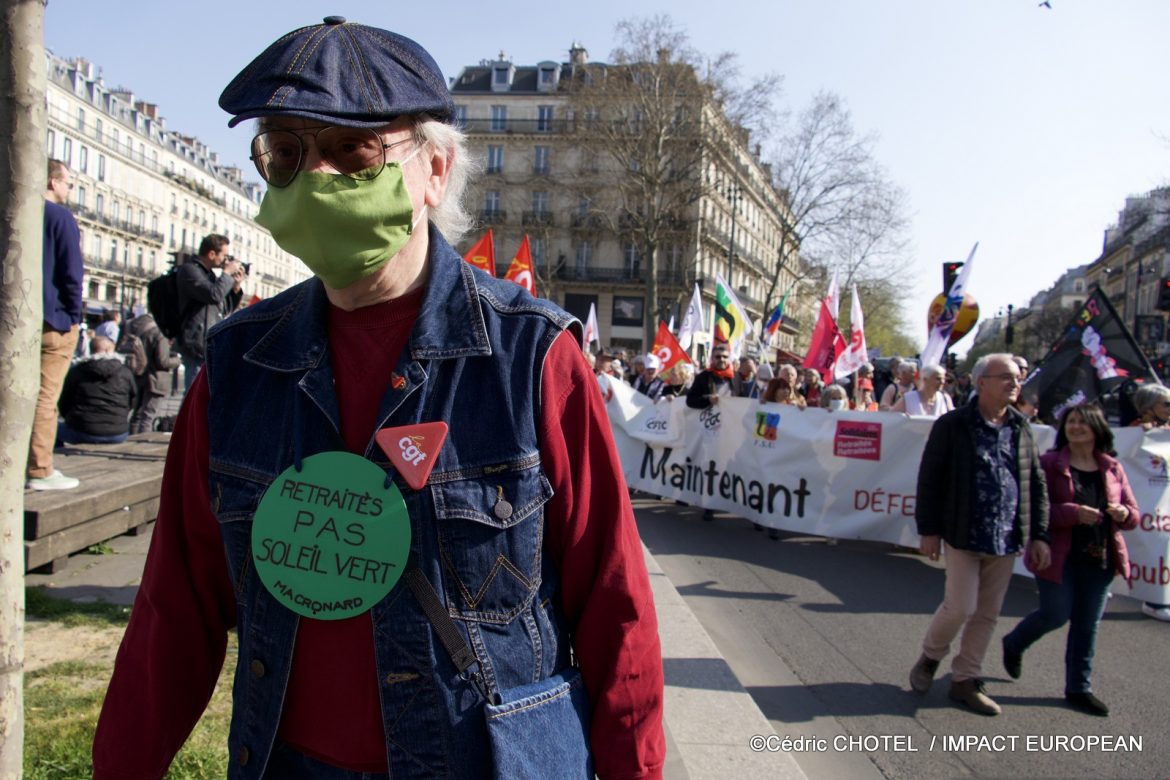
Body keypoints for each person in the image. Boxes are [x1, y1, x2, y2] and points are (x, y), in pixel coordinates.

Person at [93, 18, 663, 780]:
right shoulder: (236, 369)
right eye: (287, 154)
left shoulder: (535, 359)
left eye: (351, 149)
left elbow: (616, 611)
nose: (316, 178)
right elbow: (174, 614)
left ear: (434, 168)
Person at [909, 353, 1051, 716]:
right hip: (962, 531)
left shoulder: (1020, 427)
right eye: (1005, 376)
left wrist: (1039, 534)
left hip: (1005, 537)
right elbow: (930, 478)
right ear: (981, 381)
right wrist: (929, 529)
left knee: (987, 614)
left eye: (1017, 378)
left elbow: (1035, 482)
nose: (1014, 383)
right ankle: (930, 657)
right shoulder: (953, 424)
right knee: (960, 606)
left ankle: (965, 680)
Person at [1001, 404, 1138, 716]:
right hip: (1057, 555)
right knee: (1056, 614)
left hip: (1100, 557)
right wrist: (1073, 513)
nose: (1075, 427)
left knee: (1087, 625)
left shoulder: (1112, 467)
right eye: (1071, 422)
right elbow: (1034, 510)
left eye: (1082, 422)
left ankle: (1079, 688)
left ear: (1097, 428)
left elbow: (1134, 515)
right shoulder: (1049, 463)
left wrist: (1124, 513)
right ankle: (1014, 643)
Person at [27, 159, 84, 490]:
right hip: (55, 319)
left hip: (22, 316)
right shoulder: (59, 216)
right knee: (46, 397)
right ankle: (40, 467)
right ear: (52, 182)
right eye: (67, 182)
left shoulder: (17, 209)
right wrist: (72, 318)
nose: (68, 189)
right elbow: (71, 272)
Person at [176, 233, 243, 391]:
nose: (226, 260)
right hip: (196, 344)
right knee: (194, 393)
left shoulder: (210, 276)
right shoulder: (190, 271)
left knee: (209, 395)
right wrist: (226, 274)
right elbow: (214, 295)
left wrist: (235, 288)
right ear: (211, 253)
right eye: (224, 255)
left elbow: (224, 308)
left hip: (210, 344)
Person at [1126, 383, 1170, 622]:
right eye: (1167, 404)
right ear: (1148, 407)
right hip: (1142, 507)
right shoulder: (1133, 435)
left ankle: (1158, 599)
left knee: (1163, 552)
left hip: (1164, 507)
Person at [56, 335, 137, 445]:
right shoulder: (125, 372)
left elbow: (64, 401)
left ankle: (55, 457)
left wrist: (73, 419)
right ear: (109, 350)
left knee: (50, 428)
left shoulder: (78, 371)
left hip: (82, 430)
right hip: (117, 433)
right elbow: (133, 400)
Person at [125, 312, 182, 434]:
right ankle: (142, 445)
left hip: (139, 376)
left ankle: (131, 439)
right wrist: (177, 360)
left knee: (137, 415)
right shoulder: (159, 334)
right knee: (148, 417)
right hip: (156, 380)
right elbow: (163, 362)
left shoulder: (136, 331)